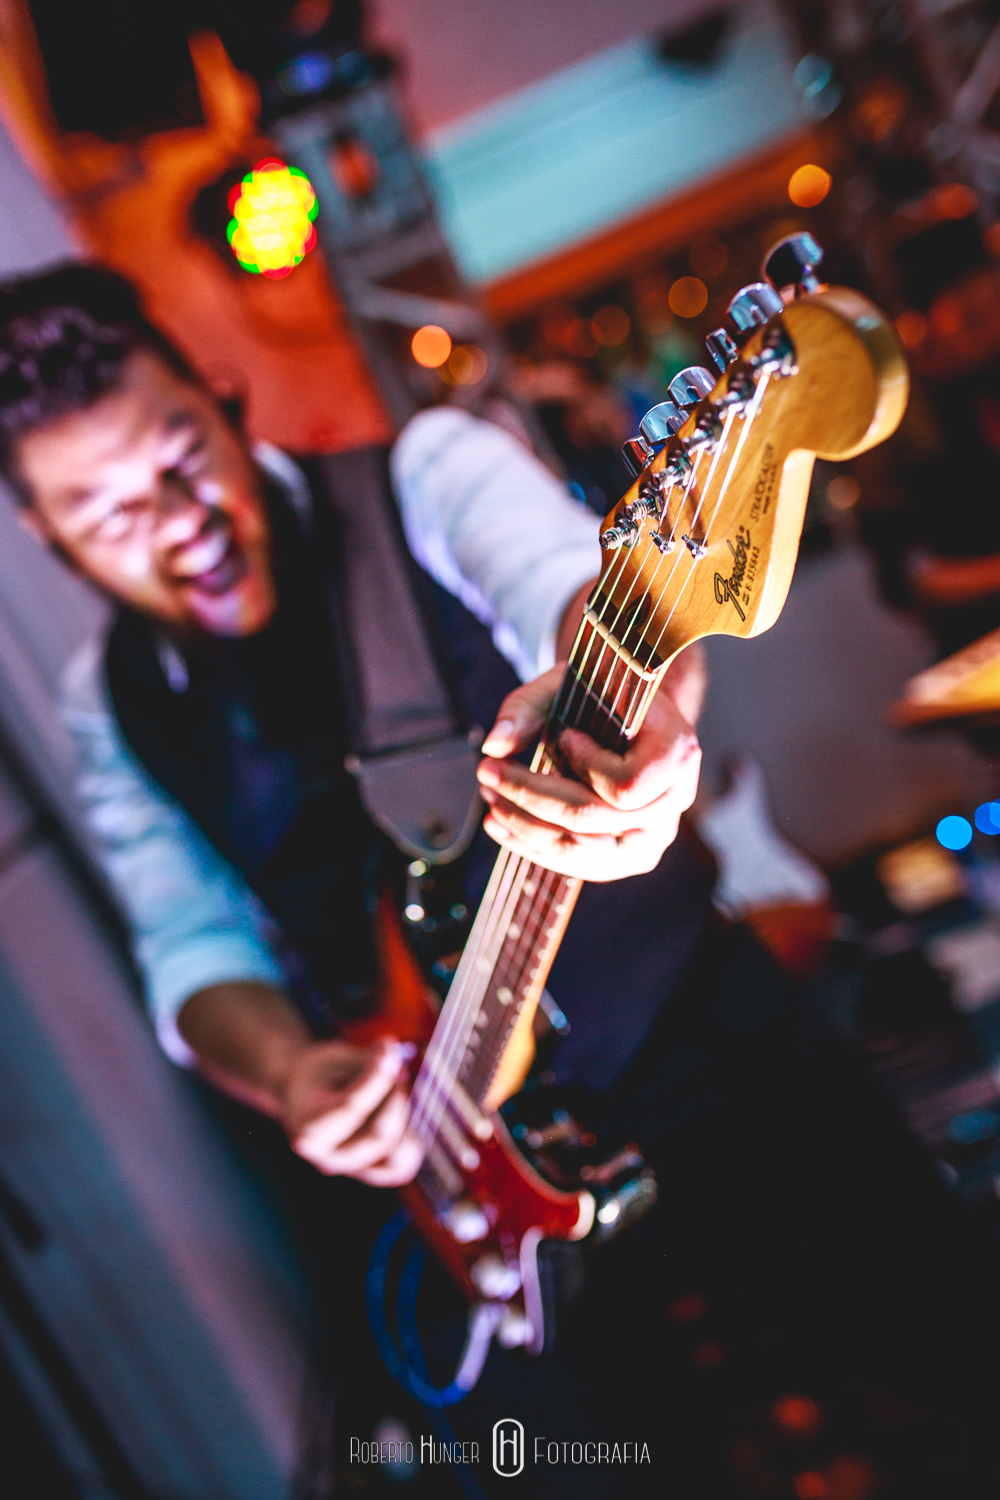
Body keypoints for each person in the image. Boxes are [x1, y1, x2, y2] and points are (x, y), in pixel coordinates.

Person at [0, 262, 708, 1190]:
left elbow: (573, 592)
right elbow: (190, 942)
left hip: (691, 1030)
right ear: (51, 538)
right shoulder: (106, 698)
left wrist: (649, 721)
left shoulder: (425, 475)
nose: (179, 524)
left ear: (224, 402)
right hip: (461, 1174)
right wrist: (288, 1076)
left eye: (183, 460)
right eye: (113, 514)